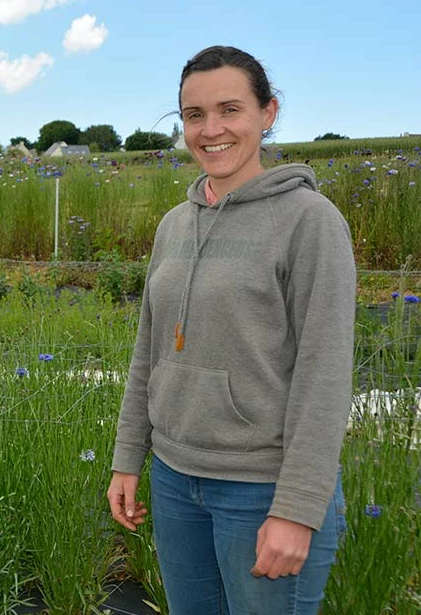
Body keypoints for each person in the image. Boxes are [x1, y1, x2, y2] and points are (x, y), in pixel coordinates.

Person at [107, 45, 355, 614]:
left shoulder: (310, 221)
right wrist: (129, 457)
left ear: (267, 113)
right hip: (174, 482)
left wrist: (296, 508)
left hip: (261, 490)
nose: (211, 130)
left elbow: (325, 375)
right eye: (194, 115)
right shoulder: (175, 224)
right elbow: (148, 352)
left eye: (230, 110)